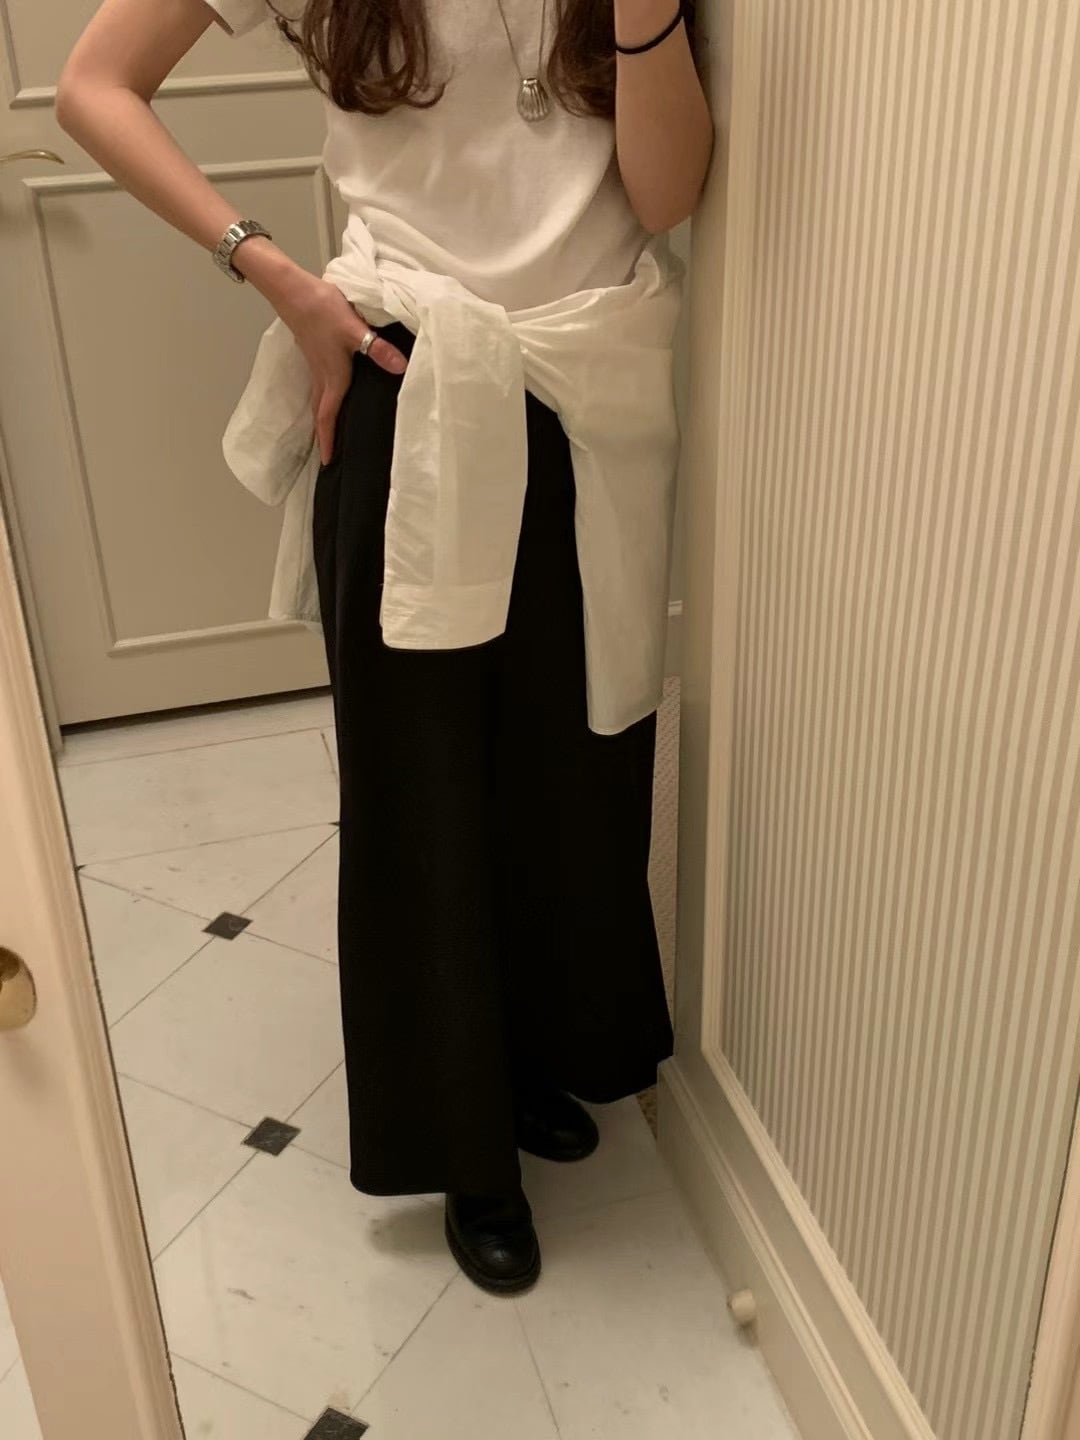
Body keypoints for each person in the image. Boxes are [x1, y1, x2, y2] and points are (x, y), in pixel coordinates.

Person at [56, 0, 713, 1296]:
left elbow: (667, 193)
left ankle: (530, 1066)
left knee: (573, 767)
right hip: (411, 379)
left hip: (592, 390)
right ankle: (462, 1148)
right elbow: (94, 85)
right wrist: (272, 272)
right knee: (422, 798)